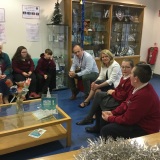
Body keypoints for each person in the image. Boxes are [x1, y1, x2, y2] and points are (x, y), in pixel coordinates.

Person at [101, 64, 160, 140]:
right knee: (104, 117)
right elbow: (127, 102)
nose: (129, 75)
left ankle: (112, 149)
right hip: (138, 121)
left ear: (136, 79)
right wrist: (113, 112)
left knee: (107, 130)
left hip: (145, 128)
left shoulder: (143, 95)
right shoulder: (139, 86)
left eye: (131, 73)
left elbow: (128, 120)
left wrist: (110, 118)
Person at [76, 59, 134, 130]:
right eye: (122, 67)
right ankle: (92, 120)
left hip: (120, 101)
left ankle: (90, 119)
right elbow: (118, 89)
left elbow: (122, 97)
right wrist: (113, 91)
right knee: (98, 94)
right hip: (116, 94)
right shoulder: (124, 76)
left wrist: (113, 92)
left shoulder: (130, 80)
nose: (124, 69)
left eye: (127, 67)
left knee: (98, 99)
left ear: (132, 68)